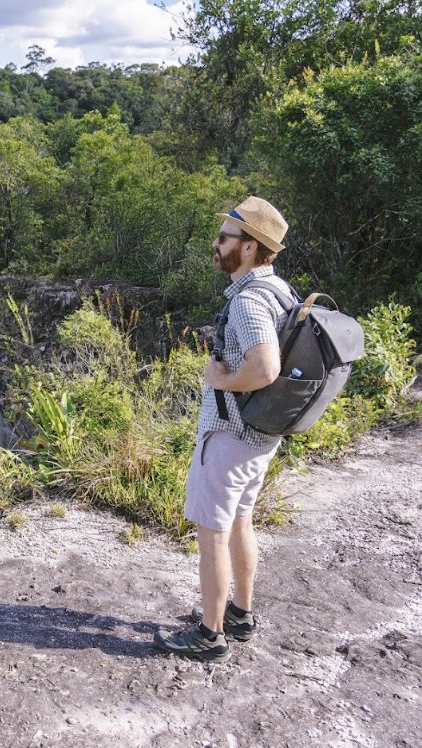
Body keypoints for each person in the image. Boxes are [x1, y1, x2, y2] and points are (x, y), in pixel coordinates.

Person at [154, 196, 294, 663]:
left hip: (231, 436)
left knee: (211, 530)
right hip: (259, 437)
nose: (216, 245)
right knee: (239, 520)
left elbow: (266, 367)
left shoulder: (251, 300)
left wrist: (221, 380)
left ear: (250, 247)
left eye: (225, 237)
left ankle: (208, 635)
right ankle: (240, 613)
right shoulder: (280, 291)